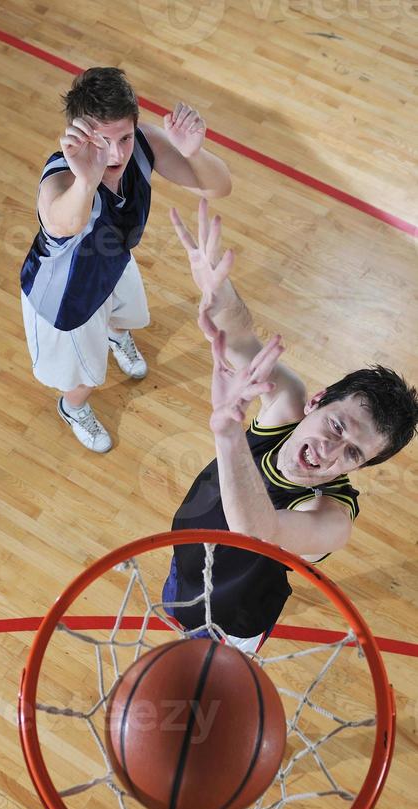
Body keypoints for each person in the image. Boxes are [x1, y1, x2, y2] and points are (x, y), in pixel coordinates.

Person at [163, 199, 418, 652]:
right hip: (187, 568)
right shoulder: (286, 406)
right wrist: (217, 291)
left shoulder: (330, 519)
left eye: (355, 454)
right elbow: (240, 337)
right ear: (317, 401)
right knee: (179, 597)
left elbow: (258, 529)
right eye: (337, 427)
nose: (331, 453)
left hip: (235, 622)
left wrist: (227, 432)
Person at [20, 67, 232, 453]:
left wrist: (194, 152)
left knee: (126, 317)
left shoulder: (145, 143)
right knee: (85, 377)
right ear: (80, 136)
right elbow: (64, 222)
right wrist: (87, 180)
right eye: (103, 141)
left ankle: (117, 337)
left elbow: (219, 187)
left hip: (114, 263)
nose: (117, 153)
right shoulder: (61, 179)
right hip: (68, 298)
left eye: (125, 137)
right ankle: (73, 407)